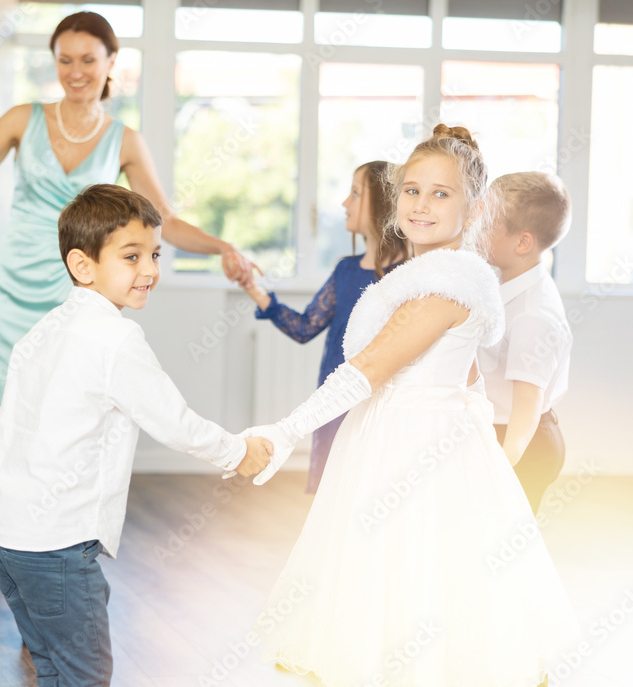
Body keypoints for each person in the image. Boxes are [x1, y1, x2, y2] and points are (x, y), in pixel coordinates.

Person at [242, 126, 577, 686]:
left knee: (407, 587)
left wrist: (283, 432)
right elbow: (468, 378)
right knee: (401, 589)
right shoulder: (431, 275)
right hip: (408, 437)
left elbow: (366, 371)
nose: (421, 204)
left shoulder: (444, 286)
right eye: (412, 191)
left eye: (441, 193)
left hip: (412, 448)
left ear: (473, 211)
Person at [0, 184, 272, 686]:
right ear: (84, 266)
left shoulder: (44, 330)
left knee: (51, 667)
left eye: (154, 254)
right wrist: (239, 452)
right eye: (131, 257)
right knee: (85, 676)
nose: (149, 270)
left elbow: (8, 427)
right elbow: (174, 420)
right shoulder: (116, 338)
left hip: (5, 538)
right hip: (56, 543)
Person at [0, 11, 256, 441]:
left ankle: (57, 501)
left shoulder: (126, 140)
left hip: (75, 281)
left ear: (111, 61)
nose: (75, 72)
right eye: (65, 60)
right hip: (10, 282)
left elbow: (166, 222)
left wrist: (222, 246)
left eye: (87, 60)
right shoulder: (22, 119)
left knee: (66, 399)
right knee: (4, 398)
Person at [238, 160, 406, 492]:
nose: (345, 203)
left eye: (355, 193)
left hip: (378, 405)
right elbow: (304, 327)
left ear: (383, 203)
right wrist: (255, 291)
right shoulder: (345, 270)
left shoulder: (409, 275)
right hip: (333, 402)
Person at [478, 171, 573, 514]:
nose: (476, 224)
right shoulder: (504, 281)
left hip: (522, 443)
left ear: (522, 243)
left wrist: (502, 467)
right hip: (502, 432)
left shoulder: (533, 314)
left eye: (487, 222)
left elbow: (527, 408)